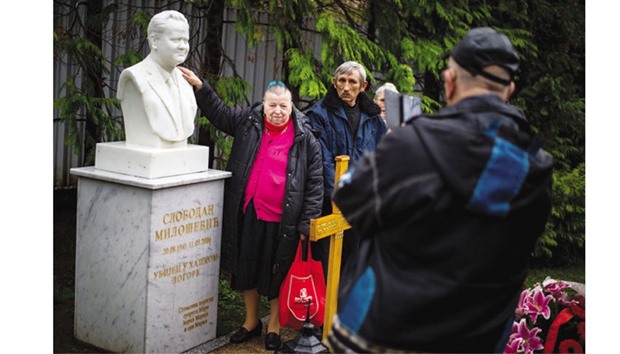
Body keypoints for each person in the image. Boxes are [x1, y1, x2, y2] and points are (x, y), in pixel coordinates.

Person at [325, 27, 554, 353]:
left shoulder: (412, 143)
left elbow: (349, 196)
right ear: (509, 90)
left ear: (449, 83)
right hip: (476, 340)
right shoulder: (536, 167)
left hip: (386, 334)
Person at [179, 69, 324, 351]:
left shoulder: (306, 138)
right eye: (272, 105)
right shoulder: (249, 122)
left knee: (275, 272)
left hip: (284, 221)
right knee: (247, 269)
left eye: (284, 106)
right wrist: (201, 87)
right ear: (264, 105)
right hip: (250, 212)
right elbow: (219, 113)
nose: (278, 111)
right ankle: (250, 322)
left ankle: (273, 326)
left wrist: (307, 223)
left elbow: (316, 183)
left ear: (291, 106)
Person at [305, 61, 387, 279]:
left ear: (363, 86)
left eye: (352, 82)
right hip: (329, 203)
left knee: (355, 264)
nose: (346, 87)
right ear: (334, 82)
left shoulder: (374, 119)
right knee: (327, 266)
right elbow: (322, 160)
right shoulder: (319, 115)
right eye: (342, 81)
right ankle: (325, 311)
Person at [117, 10, 196, 148]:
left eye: (186, 40)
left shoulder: (185, 81)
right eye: (176, 39)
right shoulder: (134, 77)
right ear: (154, 41)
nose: (183, 46)